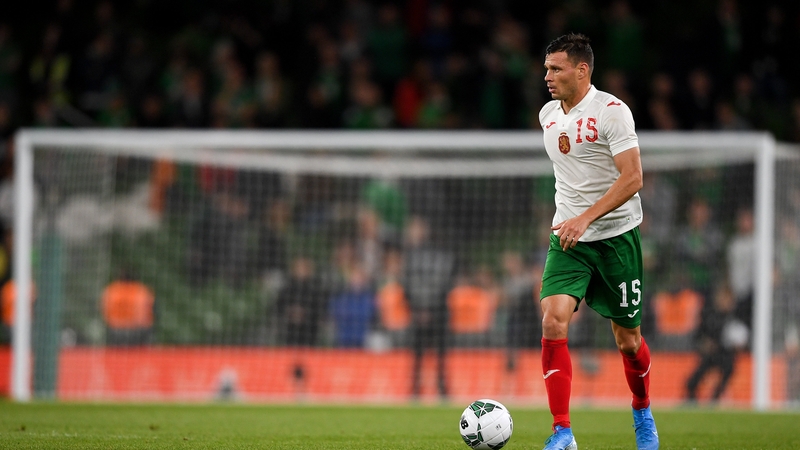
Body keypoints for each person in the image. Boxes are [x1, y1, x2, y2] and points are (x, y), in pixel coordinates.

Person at [537, 33, 658, 450]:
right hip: (569, 240)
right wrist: (571, 220)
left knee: (628, 340)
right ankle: (563, 432)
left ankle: (642, 411)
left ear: (582, 69)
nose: (547, 76)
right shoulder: (548, 115)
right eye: (547, 68)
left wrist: (585, 218)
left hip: (616, 239)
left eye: (556, 68)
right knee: (553, 320)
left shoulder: (612, 112)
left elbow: (633, 178)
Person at [684, 282, 748, 404]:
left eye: (727, 298)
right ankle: (692, 403)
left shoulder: (736, 317)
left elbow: (743, 339)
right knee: (691, 383)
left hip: (726, 355)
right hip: (710, 356)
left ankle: (715, 399)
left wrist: (739, 346)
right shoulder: (708, 314)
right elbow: (698, 336)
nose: (724, 301)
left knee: (729, 368)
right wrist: (704, 344)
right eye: (722, 297)